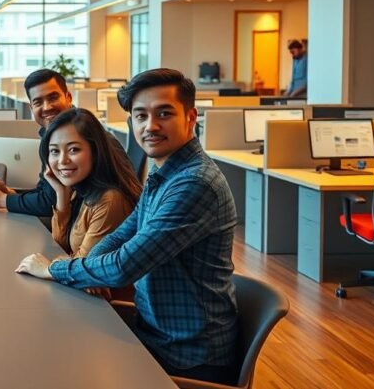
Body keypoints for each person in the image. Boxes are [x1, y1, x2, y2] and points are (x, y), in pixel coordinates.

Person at [16, 69, 239, 384]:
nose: (150, 126)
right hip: (155, 334)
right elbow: (124, 235)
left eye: (164, 113)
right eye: (140, 115)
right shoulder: (166, 173)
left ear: (190, 117)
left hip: (187, 355)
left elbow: (124, 265)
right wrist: (85, 263)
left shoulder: (194, 183)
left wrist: (55, 269)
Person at [0, 69, 129, 219]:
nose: (47, 107)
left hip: (94, 225)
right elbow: (47, 193)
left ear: (68, 97)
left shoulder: (87, 135)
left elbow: (49, 203)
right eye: (38, 102)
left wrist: (2, 200)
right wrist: (10, 193)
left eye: (53, 98)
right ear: (31, 108)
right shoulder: (51, 135)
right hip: (71, 226)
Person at [36, 108, 140, 258]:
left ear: (95, 151)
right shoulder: (82, 188)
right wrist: (61, 195)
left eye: (73, 149)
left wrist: (47, 267)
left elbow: (82, 270)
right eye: (55, 151)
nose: (62, 161)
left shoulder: (110, 200)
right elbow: (60, 245)